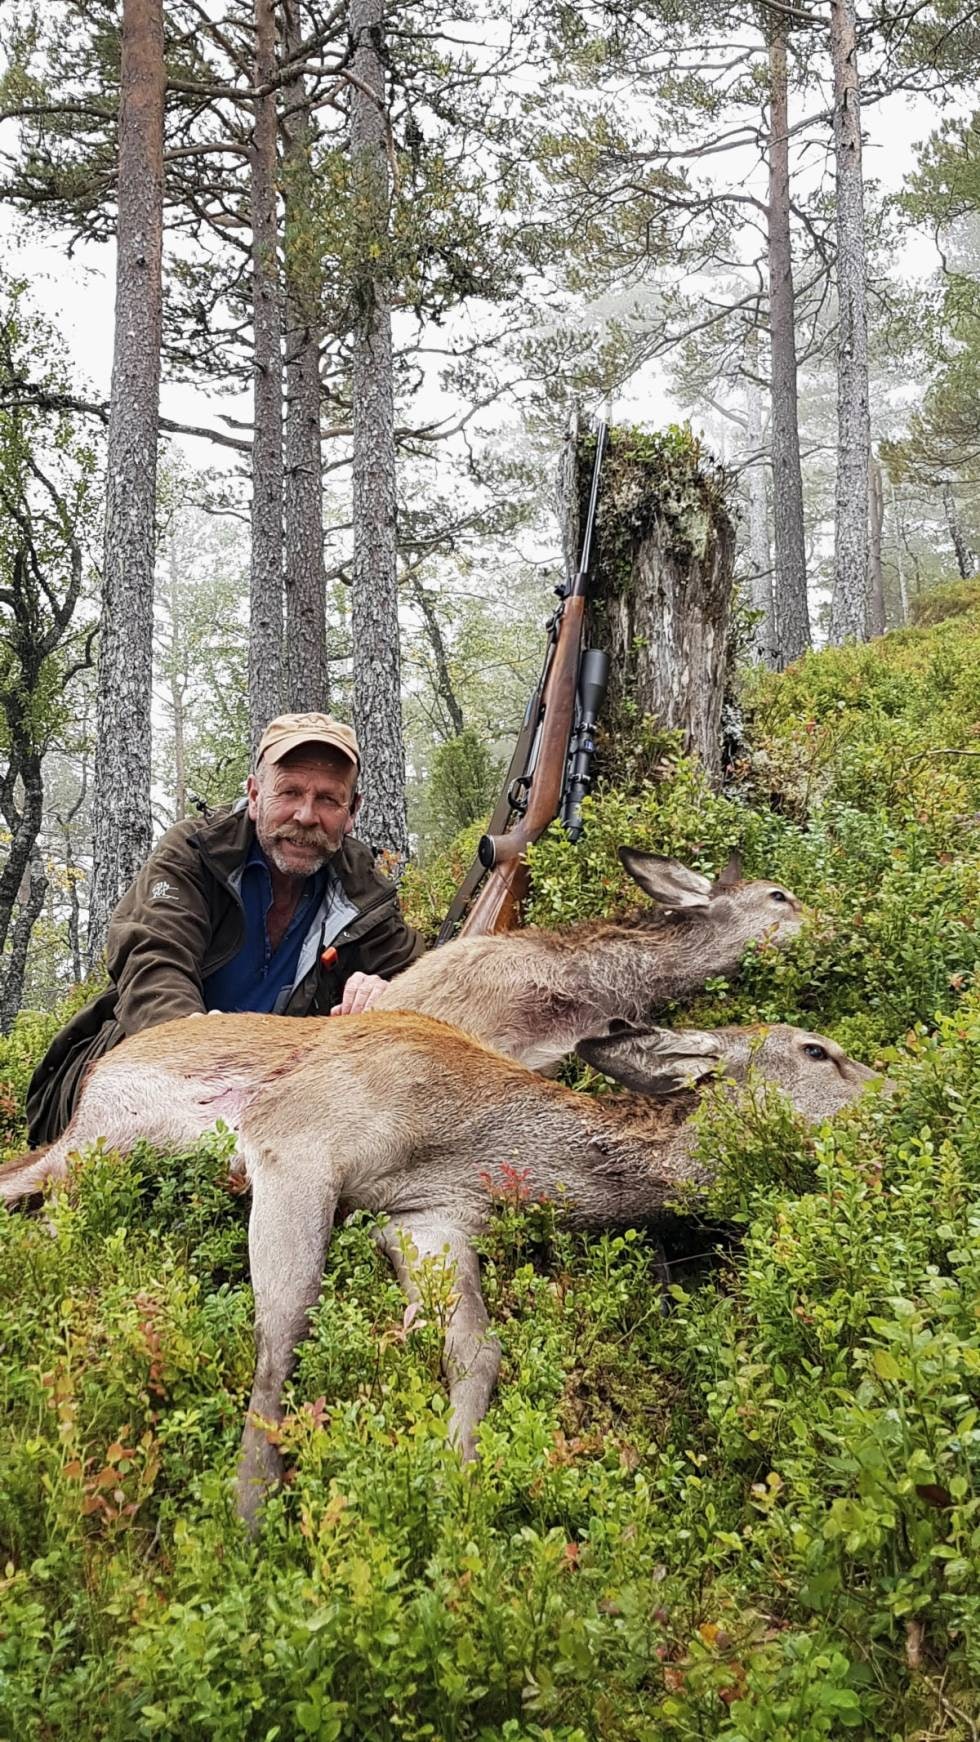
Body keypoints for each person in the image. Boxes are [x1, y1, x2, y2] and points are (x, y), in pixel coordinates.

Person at [26, 712, 424, 1147]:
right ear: (255, 795)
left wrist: (389, 992)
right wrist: (203, 1047)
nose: (307, 815)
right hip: (140, 1068)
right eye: (289, 791)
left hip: (271, 1100)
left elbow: (421, 980)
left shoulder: (359, 885)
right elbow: (152, 961)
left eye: (329, 799)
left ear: (352, 812)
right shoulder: (195, 853)